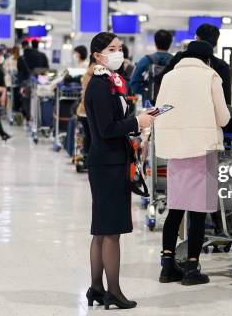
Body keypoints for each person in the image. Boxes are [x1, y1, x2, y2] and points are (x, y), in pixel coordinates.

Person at [84, 32, 155, 310]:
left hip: (110, 160)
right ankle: (113, 291)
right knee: (111, 231)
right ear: (97, 55)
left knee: (102, 230)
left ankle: (97, 288)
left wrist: (137, 123)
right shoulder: (100, 86)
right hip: (107, 164)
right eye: (111, 49)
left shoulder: (111, 82)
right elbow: (106, 129)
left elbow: (114, 123)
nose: (118, 53)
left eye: (120, 48)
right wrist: (137, 121)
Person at [153, 40, 230, 285]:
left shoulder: (169, 77)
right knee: (198, 212)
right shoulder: (211, 77)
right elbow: (224, 118)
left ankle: (167, 267)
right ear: (207, 59)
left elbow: (159, 110)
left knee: (176, 209)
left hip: (175, 148)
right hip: (202, 148)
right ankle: (191, 268)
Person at [159, 24, 232, 104]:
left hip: (176, 109)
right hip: (208, 114)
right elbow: (226, 102)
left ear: (197, 38)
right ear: (215, 43)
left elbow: (160, 81)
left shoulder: (179, 58)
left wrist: (156, 113)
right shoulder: (222, 67)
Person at [129, 29, 173, 103]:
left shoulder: (146, 60)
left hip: (149, 104)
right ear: (170, 43)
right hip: (169, 103)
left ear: (155, 43)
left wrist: (146, 92)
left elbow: (134, 83)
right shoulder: (175, 61)